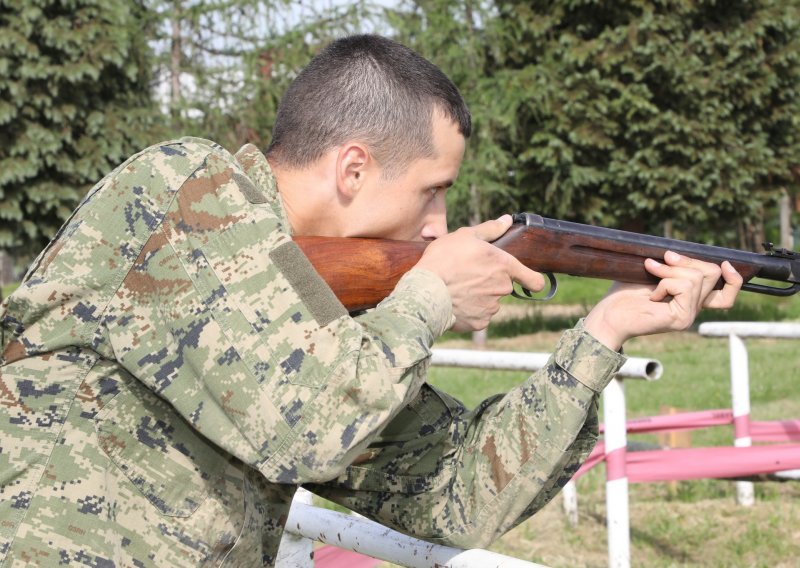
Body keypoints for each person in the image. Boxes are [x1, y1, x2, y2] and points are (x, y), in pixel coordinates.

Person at [0, 34, 741, 566]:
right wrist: (428, 294)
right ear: (353, 169)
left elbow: (456, 496)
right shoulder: (184, 189)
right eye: (433, 192)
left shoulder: (332, 323)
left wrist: (604, 329)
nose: (439, 226)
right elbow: (308, 425)